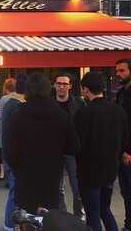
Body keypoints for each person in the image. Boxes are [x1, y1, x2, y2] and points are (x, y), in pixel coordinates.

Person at [6, 73, 79, 215]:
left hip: (25, 177)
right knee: (50, 219)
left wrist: (18, 168)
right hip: (51, 177)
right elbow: (74, 147)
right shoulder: (61, 115)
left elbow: (10, 150)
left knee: (27, 218)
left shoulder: (18, 115)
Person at [75, 72, 128, 231]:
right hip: (111, 170)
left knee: (93, 214)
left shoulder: (83, 113)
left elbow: (77, 144)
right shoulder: (119, 111)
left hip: (88, 172)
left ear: (85, 89)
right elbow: (125, 140)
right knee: (105, 209)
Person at [53, 73, 85, 220]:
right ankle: (63, 216)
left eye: (64, 84)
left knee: (76, 185)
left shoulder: (78, 103)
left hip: (73, 151)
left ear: (70, 86)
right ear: (54, 85)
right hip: (55, 152)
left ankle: (79, 214)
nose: (61, 87)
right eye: (58, 83)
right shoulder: (50, 104)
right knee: (58, 187)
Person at [1, 74, 27, 231]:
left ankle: (11, 224)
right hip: (15, 156)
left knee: (15, 190)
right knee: (15, 191)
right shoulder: (17, 105)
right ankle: (10, 225)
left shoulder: (8, 102)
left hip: (8, 152)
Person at [116, 59, 131, 231]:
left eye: (122, 70)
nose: (118, 74)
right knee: (126, 193)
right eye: (117, 71)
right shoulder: (120, 94)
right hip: (121, 153)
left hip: (128, 153)